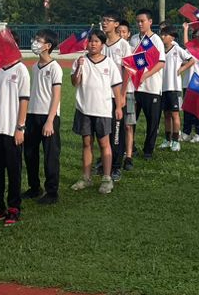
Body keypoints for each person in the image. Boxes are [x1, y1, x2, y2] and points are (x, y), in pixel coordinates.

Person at [0, 33, 29, 226]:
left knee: (13, 170)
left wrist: (20, 127)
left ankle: (13, 207)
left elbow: (24, 100)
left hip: (12, 130)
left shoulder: (21, 70)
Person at [70, 29, 120, 195]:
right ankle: (86, 177)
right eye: (91, 41)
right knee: (86, 143)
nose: (93, 44)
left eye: (97, 41)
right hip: (84, 108)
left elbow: (116, 86)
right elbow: (74, 82)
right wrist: (79, 68)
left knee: (104, 143)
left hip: (103, 109)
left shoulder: (109, 63)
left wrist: (119, 106)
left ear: (102, 44)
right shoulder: (80, 61)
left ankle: (107, 178)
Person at [24, 29, 63, 204]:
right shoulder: (35, 66)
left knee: (50, 156)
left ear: (48, 46)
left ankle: (52, 191)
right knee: (30, 153)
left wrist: (50, 120)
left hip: (49, 117)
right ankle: (34, 187)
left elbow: (56, 96)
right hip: (32, 115)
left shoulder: (55, 68)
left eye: (39, 40)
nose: (35, 43)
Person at [130, 8, 165, 162]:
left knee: (152, 121)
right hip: (135, 88)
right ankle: (130, 147)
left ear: (150, 22)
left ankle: (148, 150)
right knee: (131, 120)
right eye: (137, 21)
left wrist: (145, 75)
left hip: (152, 88)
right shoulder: (134, 40)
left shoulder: (156, 40)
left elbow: (161, 63)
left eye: (142, 21)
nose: (139, 24)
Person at [100, 12, 132, 179]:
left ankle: (117, 166)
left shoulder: (123, 45)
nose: (104, 23)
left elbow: (127, 69)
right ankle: (105, 161)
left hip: (116, 94)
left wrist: (123, 92)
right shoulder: (101, 44)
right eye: (103, 20)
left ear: (116, 24)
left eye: (108, 21)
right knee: (104, 131)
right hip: (102, 95)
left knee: (117, 130)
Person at [157, 24, 192, 152]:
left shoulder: (177, 49)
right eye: (161, 34)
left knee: (175, 115)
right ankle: (167, 139)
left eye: (165, 35)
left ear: (171, 37)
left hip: (174, 87)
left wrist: (182, 68)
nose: (162, 37)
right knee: (166, 114)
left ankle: (176, 141)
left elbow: (191, 59)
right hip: (163, 88)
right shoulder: (160, 51)